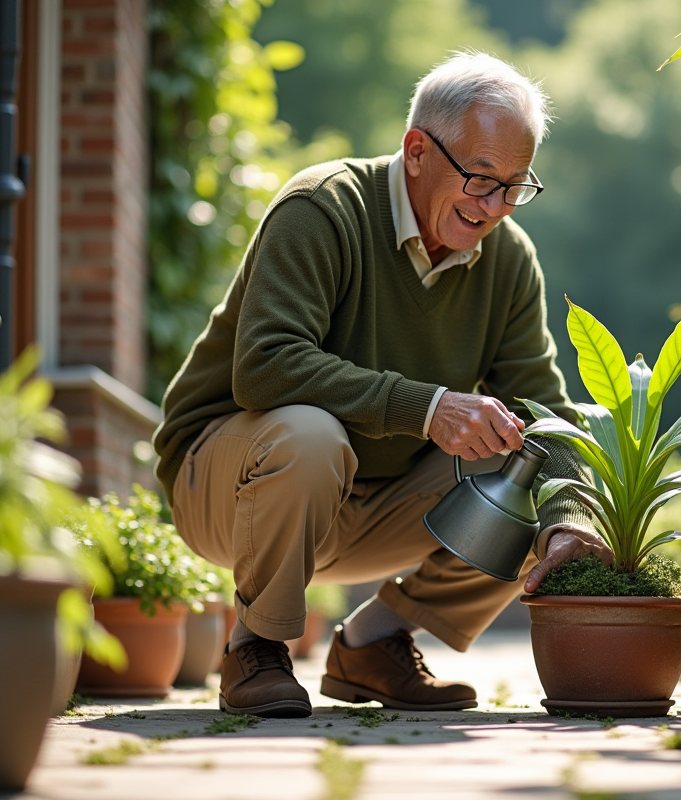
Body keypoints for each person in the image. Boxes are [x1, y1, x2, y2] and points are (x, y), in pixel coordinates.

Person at [152, 52, 611, 718]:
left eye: (516, 186)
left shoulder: (509, 261)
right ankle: (256, 648)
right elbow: (266, 365)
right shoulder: (323, 208)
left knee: (530, 461)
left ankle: (374, 642)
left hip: (371, 503)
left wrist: (570, 526)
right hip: (232, 484)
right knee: (311, 435)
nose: (496, 208)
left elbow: (546, 410)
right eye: (482, 180)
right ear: (417, 150)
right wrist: (425, 408)